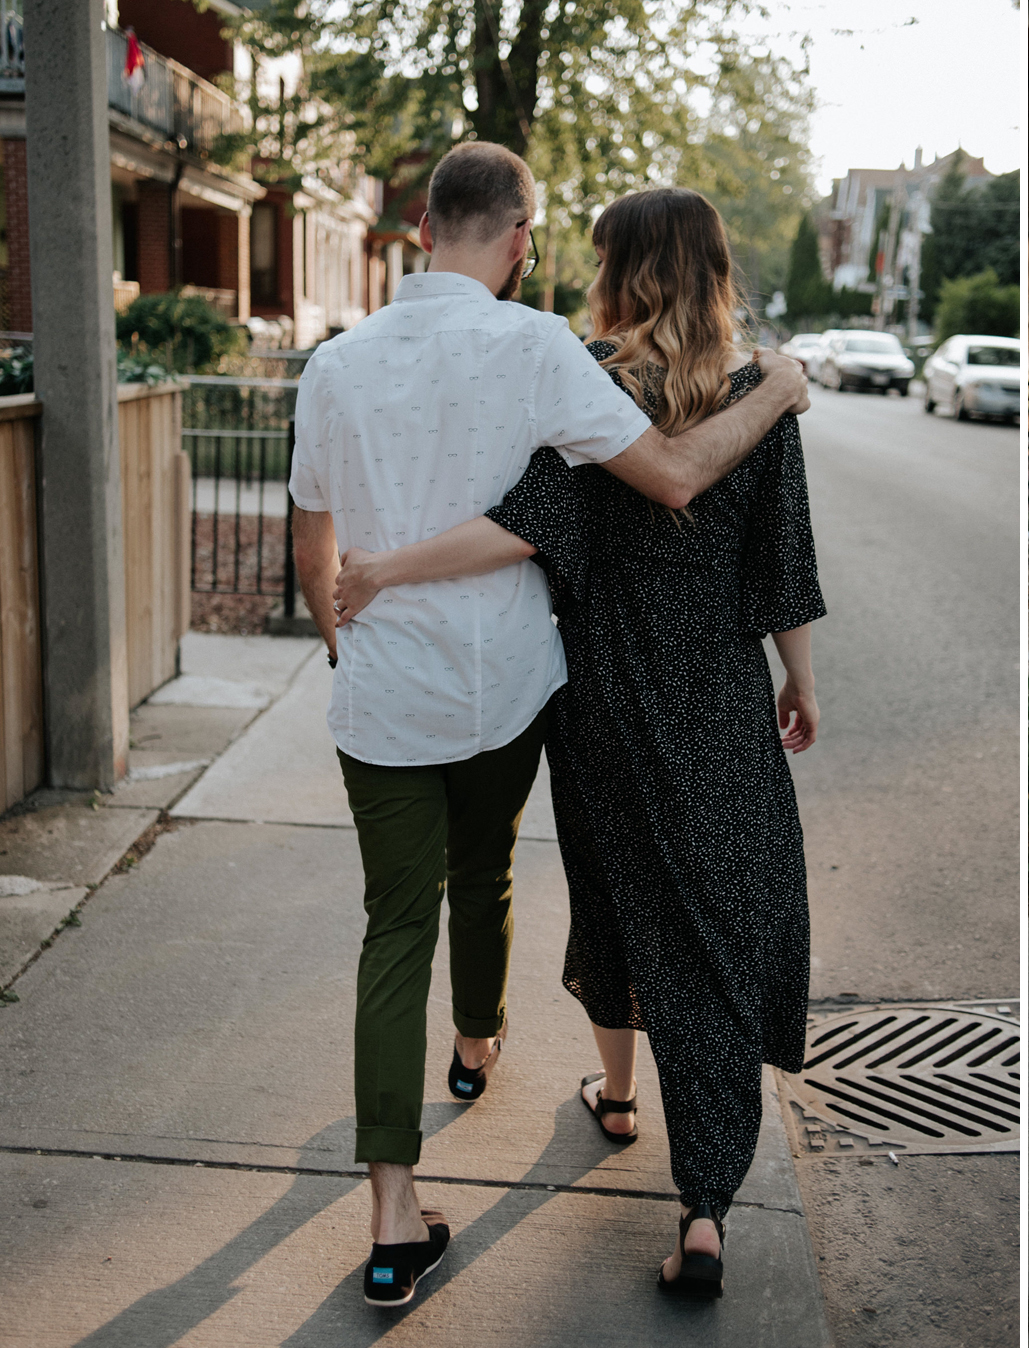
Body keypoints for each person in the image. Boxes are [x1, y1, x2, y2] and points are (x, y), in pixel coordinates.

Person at [289, 145, 808, 1309]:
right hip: (595, 691)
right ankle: (556, 1098)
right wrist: (776, 392)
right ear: (522, 240)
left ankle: (425, 1194)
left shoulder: (351, 364)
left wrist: (353, 612)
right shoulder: (551, 355)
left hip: (480, 695)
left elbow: (353, 535)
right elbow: (706, 500)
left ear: (422, 227)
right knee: (583, 897)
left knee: (427, 924)